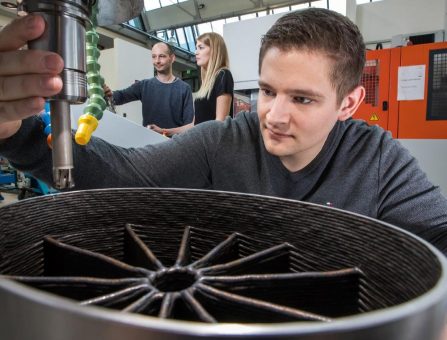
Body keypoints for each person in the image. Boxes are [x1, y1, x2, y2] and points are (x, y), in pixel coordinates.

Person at [0, 9, 447, 256]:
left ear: (348, 103)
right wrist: (18, 131)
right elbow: (122, 171)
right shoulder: (230, 140)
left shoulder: (378, 160)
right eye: (269, 91)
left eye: (303, 99)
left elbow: (438, 237)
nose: (273, 115)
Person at [150, 32, 234, 136]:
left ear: (214, 50)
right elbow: (195, 125)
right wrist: (164, 131)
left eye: (201, 48)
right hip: (201, 144)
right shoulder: (206, 83)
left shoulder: (223, 75)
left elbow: (220, 123)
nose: (196, 52)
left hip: (211, 146)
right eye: (196, 48)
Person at [103, 42, 194, 129]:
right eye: (154, 57)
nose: (157, 61)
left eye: (162, 56)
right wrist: (110, 94)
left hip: (175, 142)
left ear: (172, 58)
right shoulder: (144, 86)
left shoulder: (184, 88)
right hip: (150, 141)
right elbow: (120, 96)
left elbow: (189, 124)